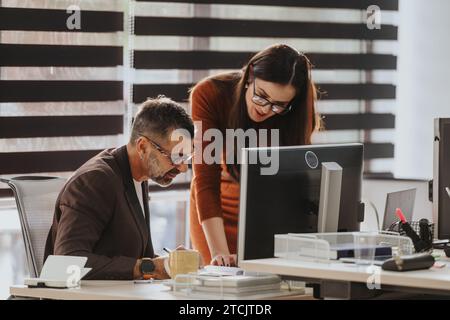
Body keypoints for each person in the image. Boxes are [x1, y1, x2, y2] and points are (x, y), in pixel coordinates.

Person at [189, 44, 320, 266]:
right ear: (250, 75)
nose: (266, 110)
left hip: (268, 208)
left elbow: (294, 182)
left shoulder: (297, 109)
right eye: (261, 96)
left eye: (279, 105)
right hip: (215, 209)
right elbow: (205, 180)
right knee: (220, 283)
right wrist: (220, 254)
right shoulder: (211, 94)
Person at [45, 96, 194, 280]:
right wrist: (150, 267)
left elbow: (129, 257)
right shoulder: (96, 180)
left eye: (186, 158)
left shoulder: (139, 177)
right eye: (176, 157)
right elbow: (67, 262)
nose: (183, 168)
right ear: (143, 147)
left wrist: (168, 264)